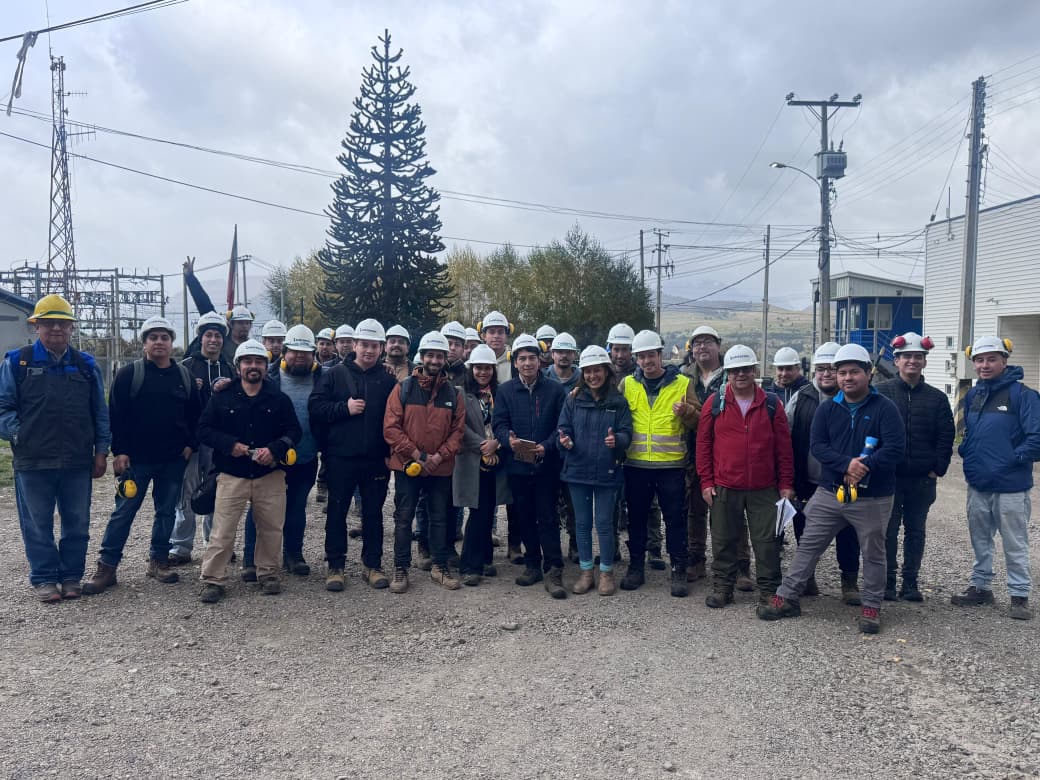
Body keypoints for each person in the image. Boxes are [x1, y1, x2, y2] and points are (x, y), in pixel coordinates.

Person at [759, 344, 905, 634]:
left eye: (854, 372)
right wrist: (847, 464)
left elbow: (895, 449)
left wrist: (866, 466)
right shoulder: (827, 409)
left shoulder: (885, 409)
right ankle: (786, 597)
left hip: (872, 496)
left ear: (869, 373)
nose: (847, 378)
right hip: (830, 491)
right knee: (808, 546)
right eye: (842, 373)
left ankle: (872, 605)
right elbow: (819, 447)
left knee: (873, 552)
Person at [0, 294, 110, 603]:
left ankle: (71, 576)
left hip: (76, 460)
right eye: (49, 324)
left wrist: (101, 450)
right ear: (37, 327)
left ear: (71, 328)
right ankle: (45, 578)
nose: (56, 329)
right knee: (37, 523)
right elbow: (3, 407)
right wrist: (19, 434)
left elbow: (99, 412)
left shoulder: (85, 365)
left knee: (77, 522)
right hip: (32, 461)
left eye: (62, 323)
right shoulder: (18, 362)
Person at [84, 316, 201, 595]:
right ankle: (107, 566)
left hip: (173, 459)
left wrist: (190, 446)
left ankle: (158, 561)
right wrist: (120, 451)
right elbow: (117, 416)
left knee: (166, 513)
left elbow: (196, 415)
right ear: (144, 343)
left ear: (172, 343)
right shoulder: (129, 374)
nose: (159, 342)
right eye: (153, 337)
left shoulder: (183, 376)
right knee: (123, 512)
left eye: (164, 337)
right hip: (136, 462)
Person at [197, 340, 301, 602]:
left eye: (258, 362)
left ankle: (267, 574)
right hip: (232, 474)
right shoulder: (222, 397)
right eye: (247, 362)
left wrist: (275, 449)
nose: (253, 367)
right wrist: (229, 445)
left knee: (271, 528)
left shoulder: (278, 398)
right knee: (222, 530)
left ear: (266, 366)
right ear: (238, 366)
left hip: (270, 474)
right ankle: (213, 579)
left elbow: (294, 432)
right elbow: (204, 430)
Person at [697, 345, 794, 608]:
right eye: (734, 370)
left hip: (764, 488)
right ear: (727, 373)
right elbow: (703, 444)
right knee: (722, 539)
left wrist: (786, 484)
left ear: (755, 371)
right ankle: (723, 587)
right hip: (725, 485)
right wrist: (706, 481)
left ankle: (768, 590)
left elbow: (784, 449)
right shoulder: (714, 403)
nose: (740, 374)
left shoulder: (772, 404)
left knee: (767, 543)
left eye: (746, 369)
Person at [950, 336, 1040, 621]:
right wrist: (966, 450)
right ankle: (981, 587)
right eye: (979, 360)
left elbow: (1037, 438)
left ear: (1004, 361)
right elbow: (966, 433)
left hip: (1011, 485)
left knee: (1015, 542)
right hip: (978, 483)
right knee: (980, 539)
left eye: (991, 359)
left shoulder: (1024, 395)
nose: (984, 365)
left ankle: (1019, 595)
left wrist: (1013, 460)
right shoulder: (974, 396)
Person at [309, 318, 398, 592]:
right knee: (336, 512)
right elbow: (316, 408)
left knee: (373, 513)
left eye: (374, 346)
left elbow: (396, 419)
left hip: (375, 460)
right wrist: (343, 409)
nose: (369, 351)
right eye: (364, 345)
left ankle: (372, 565)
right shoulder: (334, 374)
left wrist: (389, 453)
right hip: (340, 458)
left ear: (381, 348)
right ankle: (335, 566)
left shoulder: (387, 379)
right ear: (354, 345)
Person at [620, 329, 700, 597]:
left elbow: (698, 421)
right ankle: (636, 567)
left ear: (660, 354)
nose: (646, 361)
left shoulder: (682, 383)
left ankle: (678, 568)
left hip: (672, 466)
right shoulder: (628, 384)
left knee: (675, 520)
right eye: (641, 357)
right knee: (638, 519)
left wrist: (687, 411)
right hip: (636, 465)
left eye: (650, 355)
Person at [384, 331, 466, 592]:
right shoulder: (404, 388)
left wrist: (440, 456)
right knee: (404, 517)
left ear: (444, 359)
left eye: (439, 355)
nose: (435, 359)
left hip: (441, 467)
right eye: (430, 354)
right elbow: (391, 428)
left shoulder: (454, 393)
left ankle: (439, 566)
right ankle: (400, 567)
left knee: (440, 517)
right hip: (409, 465)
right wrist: (418, 455)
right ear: (422, 357)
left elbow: (458, 431)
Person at [877, 332, 955, 602]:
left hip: (922, 479)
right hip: (890, 478)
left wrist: (937, 469)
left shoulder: (936, 398)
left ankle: (910, 584)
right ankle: (886, 583)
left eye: (917, 357)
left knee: (916, 531)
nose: (912, 361)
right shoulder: (882, 393)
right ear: (896, 360)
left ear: (924, 361)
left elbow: (946, 436)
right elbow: (873, 431)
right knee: (887, 531)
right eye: (906, 356)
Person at [241, 325, 324, 580]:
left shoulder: (325, 377)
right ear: (284, 351)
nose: (300, 357)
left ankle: (293, 555)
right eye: (294, 352)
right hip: (271, 456)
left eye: (306, 353)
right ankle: (251, 560)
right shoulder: (269, 377)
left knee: (297, 508)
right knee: (261, 510)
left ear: (314, 354)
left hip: (306, 456)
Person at [493, 333, 569, 598]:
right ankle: (532, 565)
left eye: (532, 358)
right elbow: (499, 423)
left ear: (541, 361)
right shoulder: (504, 391)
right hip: (518, 466)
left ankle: (554, 569)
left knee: (547, 517)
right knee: (524, 516)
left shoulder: (555, 390)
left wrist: (546, 446)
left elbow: (562, 425)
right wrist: (507, 439)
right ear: (515, 363)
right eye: (522, 358)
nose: (527, 363)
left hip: (547, 466)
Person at [785, 341, 860, 601]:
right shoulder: (802, 398)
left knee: (848, 532)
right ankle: (807, 578)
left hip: (844, 482)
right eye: (821, 369)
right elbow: (786, 437)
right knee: (805, 532)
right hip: (806, 480)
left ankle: (849, 582)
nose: (826, 374)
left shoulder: (854, 399)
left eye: (831, 369)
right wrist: (789, 479)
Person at [558, 345, 633, 596]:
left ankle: (606, 573)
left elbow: (627, 432)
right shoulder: (573, 399)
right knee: (581, 523)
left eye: (597, 370)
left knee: (603, 523)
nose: (593, 376)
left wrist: (618, 441)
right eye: (588, 371)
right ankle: (586, 571)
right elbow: (563, 427)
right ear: (583, 373)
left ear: (607, 371)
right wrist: (565, 440)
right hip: (577, 470)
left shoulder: (618, 401)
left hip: (607, 472)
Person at [168, 312, 234, 565]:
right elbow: (174, 407)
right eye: (209, 335)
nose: (214, 340)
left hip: (220, 443)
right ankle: (181, 546)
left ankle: (214, 543)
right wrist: (187, 391)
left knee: (217, 492)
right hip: (192, 444)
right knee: (185, 493)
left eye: (218, 335)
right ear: (201, 338)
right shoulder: (184, 367)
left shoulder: (230, 368)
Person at [679, 324, 731, 583]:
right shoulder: (682, 376)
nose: (702, 347)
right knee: (694, 509)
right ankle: (696, 559)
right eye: (697, 342)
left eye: (707, 341)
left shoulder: (731, 374)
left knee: (728, 510)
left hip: (726, 453)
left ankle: (737, 564)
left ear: (718, 345)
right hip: (691, 451)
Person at [455, 344, 509, 586]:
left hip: (497, 459)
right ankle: (469, 565)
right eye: (478, 367)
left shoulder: (501, 394)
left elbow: (509, 420)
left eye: (487, 368)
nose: (483, 372)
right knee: (477, 512)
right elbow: (459, 426)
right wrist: (482, 445)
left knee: (487, 509)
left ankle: (486, 558)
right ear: (471, 369)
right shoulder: (460, 394)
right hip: (472, 459)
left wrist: (497, 443)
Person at [479, 310, 514, 385]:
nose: (496, 336)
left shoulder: (515, 361)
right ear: (484, 336)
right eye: (491, 332)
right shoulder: (475, 360)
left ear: (506, 336)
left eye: (500, 332)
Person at [441, 320, 468, 386]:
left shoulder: (470, 375)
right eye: (449, 343)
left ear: (463, 348)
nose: (453, 348)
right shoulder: (430, 371)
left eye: (457, 344)